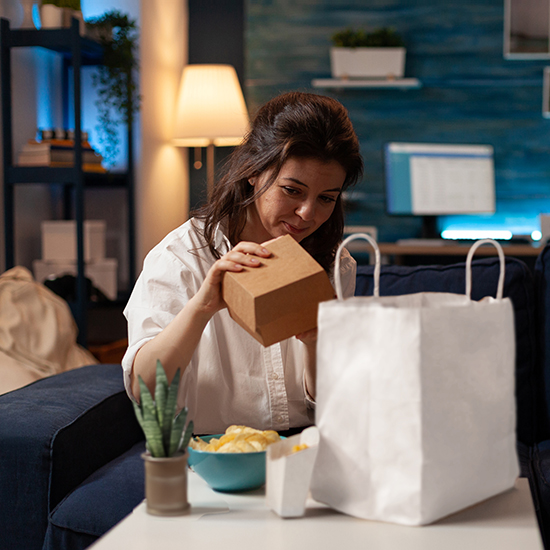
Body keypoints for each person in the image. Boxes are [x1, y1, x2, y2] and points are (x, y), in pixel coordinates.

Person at [121, 91, 363, 435]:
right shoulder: (180, 257)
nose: (308, 214)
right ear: (253, 171)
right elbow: (144, 391)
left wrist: (314, 343)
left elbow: (334, 403)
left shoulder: (335, 264)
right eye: (292, 190)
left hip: (306, 449)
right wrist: (202, 307)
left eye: (326, 198)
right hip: (213, 454)